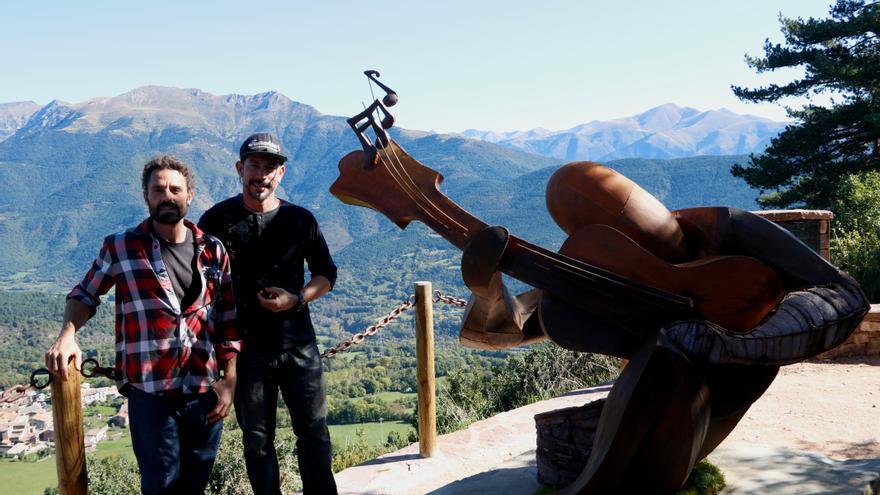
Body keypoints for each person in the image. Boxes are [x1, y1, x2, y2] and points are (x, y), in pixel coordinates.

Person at [45, 155, 241, 495]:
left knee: (195, 486)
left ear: (190, 195)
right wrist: (67, 335)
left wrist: (230, 380)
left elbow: (228, 319)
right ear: (146, 196)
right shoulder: (121, 246)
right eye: (158, 189)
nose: (167, 196)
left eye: (175, 189)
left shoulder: (213, 250)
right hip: (151, 394)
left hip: (204, 392)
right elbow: (85, 294)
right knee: (159, 487)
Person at [198, 133, 338, 495]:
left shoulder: (299, 219)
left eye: (270, 167)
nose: (261, 174)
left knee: (314, 435)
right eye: (254, 165)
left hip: (299, 347)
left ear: (282, 174)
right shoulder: (215, 220)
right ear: (239, 169)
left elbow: (326, 274)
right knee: (257, 442)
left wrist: (297, 298)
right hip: (246, 353)